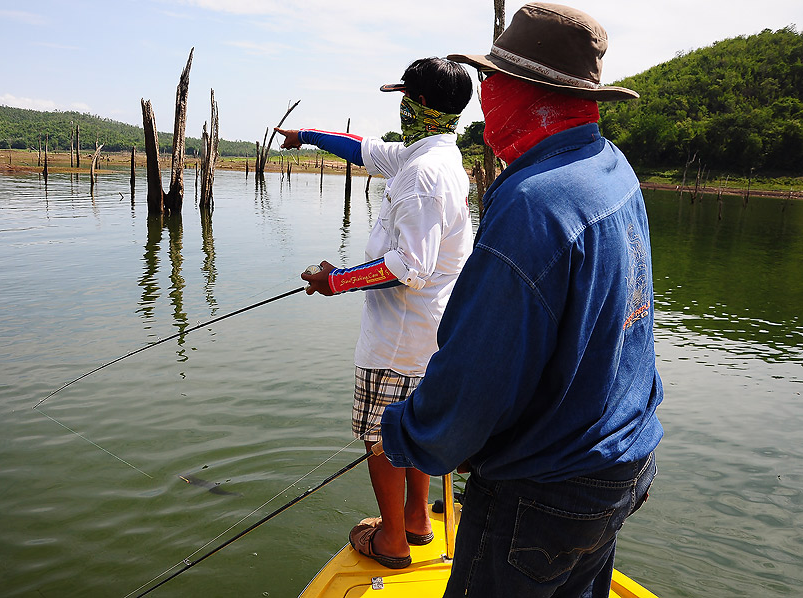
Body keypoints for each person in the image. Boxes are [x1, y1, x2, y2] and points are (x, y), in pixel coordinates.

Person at [377, 4, 664, 596]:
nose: (484, 98)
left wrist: (408, 435)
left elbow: (476, 376)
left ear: (524, 92)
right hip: (621, 464)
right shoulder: (612, 168)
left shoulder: (534, 202)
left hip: (543, 491)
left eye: (491, 81)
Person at [275, 57, 473, 569]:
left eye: (407, 97)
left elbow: (410, 265)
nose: (402, 106)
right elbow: (364, 149)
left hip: (398, 336)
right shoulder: (431, 157)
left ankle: (391, 541)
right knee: (413, 426)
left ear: (423, 105)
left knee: (381, 436)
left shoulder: (423, 176)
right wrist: (308, 136)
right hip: (430, 332)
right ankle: (416, 519)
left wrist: (334, 280)